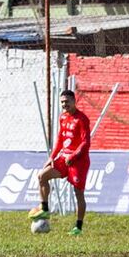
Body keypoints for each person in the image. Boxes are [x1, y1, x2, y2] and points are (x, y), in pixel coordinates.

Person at [28, 90, 92, 236]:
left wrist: (74, 156)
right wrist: (52, 157)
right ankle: (44, 209)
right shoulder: (63, 117)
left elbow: (85, 143)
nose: (64, 104)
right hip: (64, 159)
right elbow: (60, 140)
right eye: (62, 102)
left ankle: (78, 227)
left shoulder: (82, 119)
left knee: (78, 193)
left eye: (67, 101)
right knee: (42, 176)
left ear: (74, 101)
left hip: (79, 162)